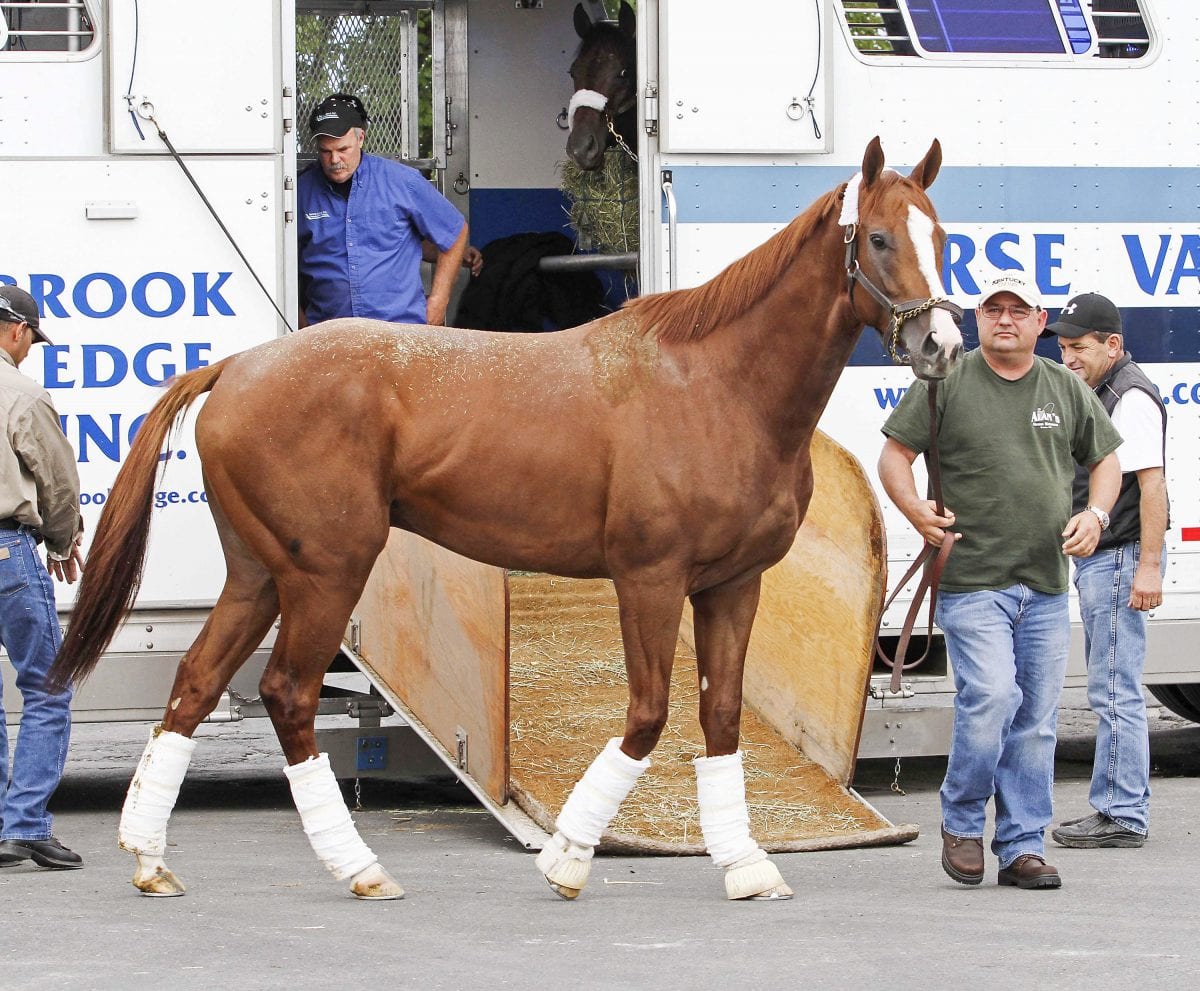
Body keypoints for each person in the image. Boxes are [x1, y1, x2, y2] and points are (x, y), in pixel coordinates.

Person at [878, 273, 1122, 890]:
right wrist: (914, 510)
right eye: (994, 309)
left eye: (1019, 310)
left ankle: (1020, 847)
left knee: (1037, 721)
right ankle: (961, 822)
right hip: (971, 578)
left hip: (1043, 582)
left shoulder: (1064, 386)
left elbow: (1107, 462)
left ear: (1040, 322)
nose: (1006, 319)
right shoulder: (946, 382)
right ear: (976, 320)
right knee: (991, 699)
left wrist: (1095, 516)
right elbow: (893, 455)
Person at [1044, 293, 1168, 849]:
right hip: (1105, 557)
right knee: (1111, 686)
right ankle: (1120, 807)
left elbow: (1152, 485)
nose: (1068, 358)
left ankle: (1121, 813)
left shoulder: (1130, 396)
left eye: (1079, 347)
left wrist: (1147, 567)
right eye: (1064, 347)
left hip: (1118, 558)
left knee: (1114, 689)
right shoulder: (1102, 390)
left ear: (1112, 345)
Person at [0, 285, 85, 871]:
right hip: (6, 552)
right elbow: (57, 483)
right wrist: (61, 539)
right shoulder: (23, 394)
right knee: (47, 688)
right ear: (16, 331)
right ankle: (25, 826)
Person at [297, 93, 478, 329]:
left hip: (400, 331)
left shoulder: (403, 181)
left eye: (343, 149)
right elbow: (281, 263)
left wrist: (438, 301)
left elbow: (455, 232)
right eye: (325, 151)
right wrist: (300, 325)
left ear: (360, 138)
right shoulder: (300, 191)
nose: (334, 159)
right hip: (329, 335)